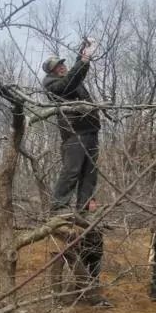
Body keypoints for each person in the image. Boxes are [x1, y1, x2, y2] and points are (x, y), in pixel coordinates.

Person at [42, 38, 101, 213]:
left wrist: (84, 52)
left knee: (90, 174)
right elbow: (70, 82)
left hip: (91, 131)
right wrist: (82, 61)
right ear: (51, 72)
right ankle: (58, 207)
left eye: (62, 64)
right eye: (56, 66)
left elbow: (75, 75)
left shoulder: (69, 79)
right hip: (74, 133)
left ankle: (83, 208)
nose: (61, 67)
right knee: (72, 171)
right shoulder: (52, 84)